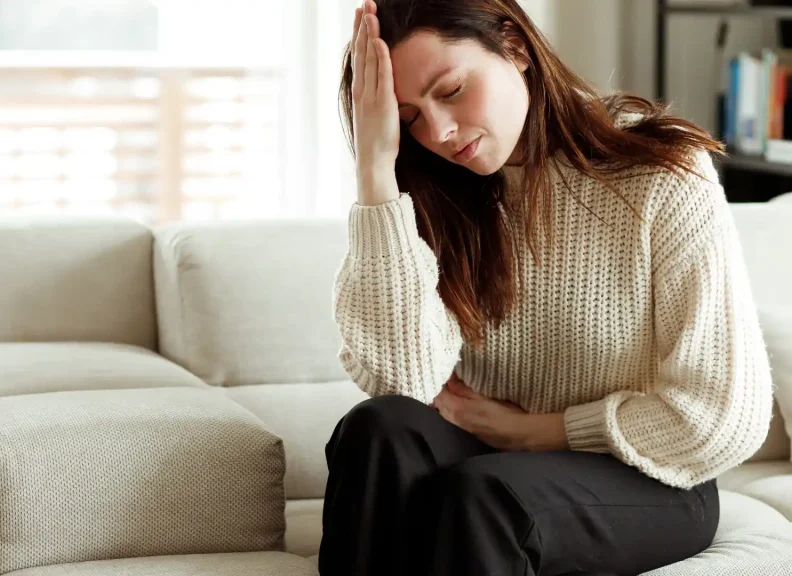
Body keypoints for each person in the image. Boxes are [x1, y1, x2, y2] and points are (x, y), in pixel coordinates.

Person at [320, 1, 775, 575]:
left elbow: (720, 419)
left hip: (654, 475)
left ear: (513, 45)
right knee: (376, 430)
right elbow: (400, 383)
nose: (438, 132)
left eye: (453, 89)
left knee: (488, 497)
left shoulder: (661, 172)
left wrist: (537, 433)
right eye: (409, 118)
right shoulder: (430, 193)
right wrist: (376, 174)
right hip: (492, 460)